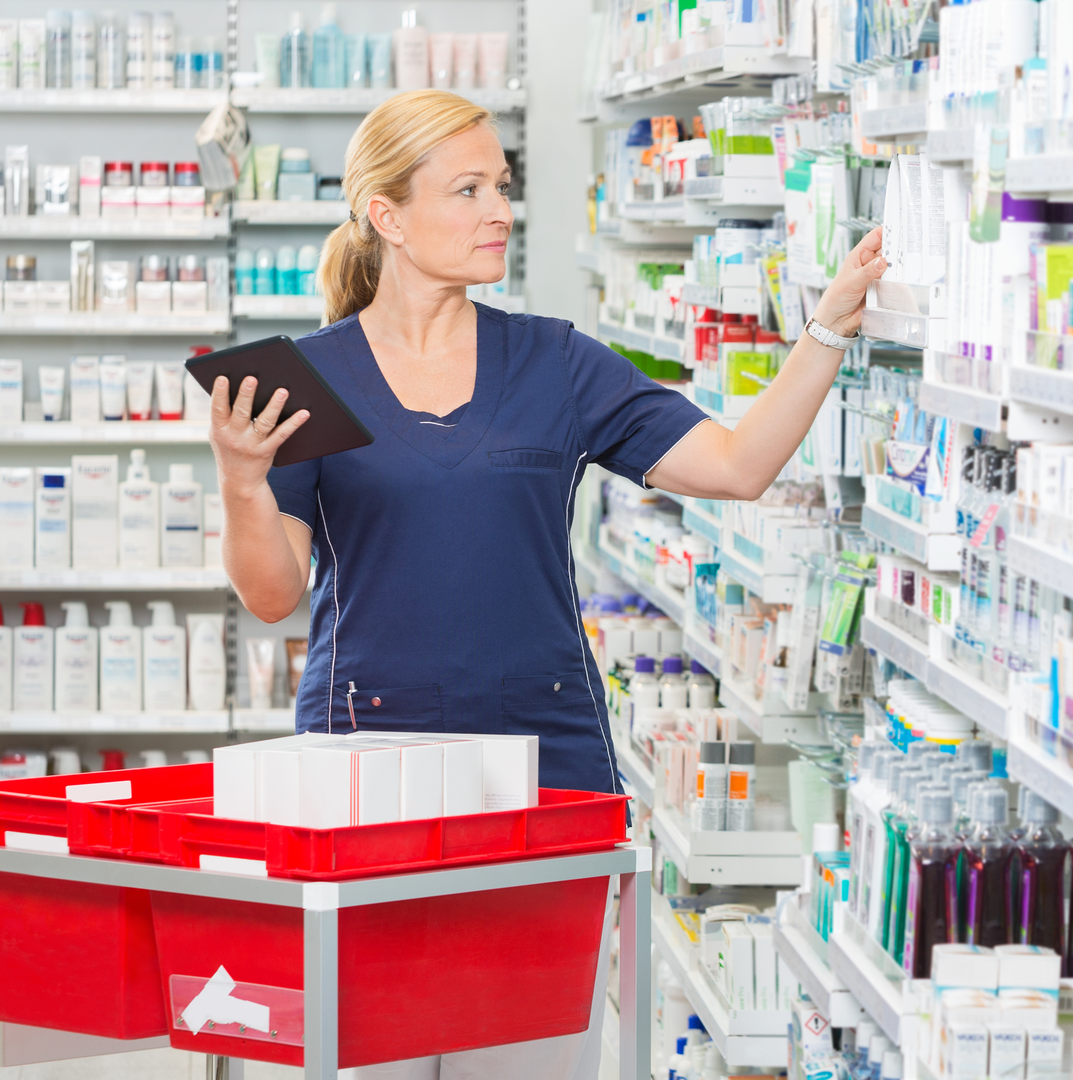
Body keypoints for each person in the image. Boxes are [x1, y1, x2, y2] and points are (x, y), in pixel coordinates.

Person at [208, 89, 886, 1079]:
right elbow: (273, 595)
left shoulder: (554, 362)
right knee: (373, 1051)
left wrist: (825, 329)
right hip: (367, 766)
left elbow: (739, 467)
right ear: (388, 217)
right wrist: (239, 481)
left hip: (544, 768)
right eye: (469, 188)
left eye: (504, 187)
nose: (501, 211)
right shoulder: (306, 377)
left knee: (526, 1054)